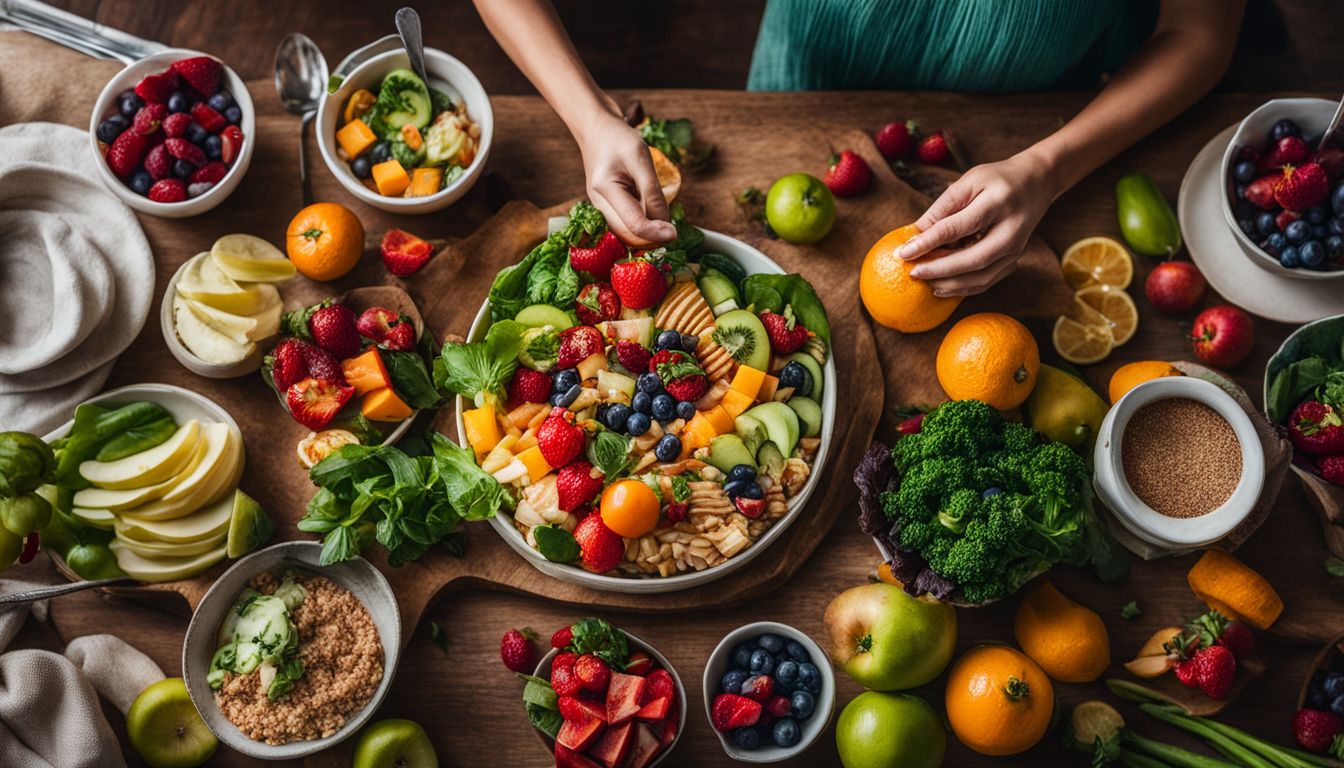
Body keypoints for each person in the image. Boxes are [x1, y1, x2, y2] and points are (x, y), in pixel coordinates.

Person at [473, 0, 1244, 296]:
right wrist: (587, 116)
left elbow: (1199, 34)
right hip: (799, 81)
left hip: (1039, 109)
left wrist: (1048, 166)